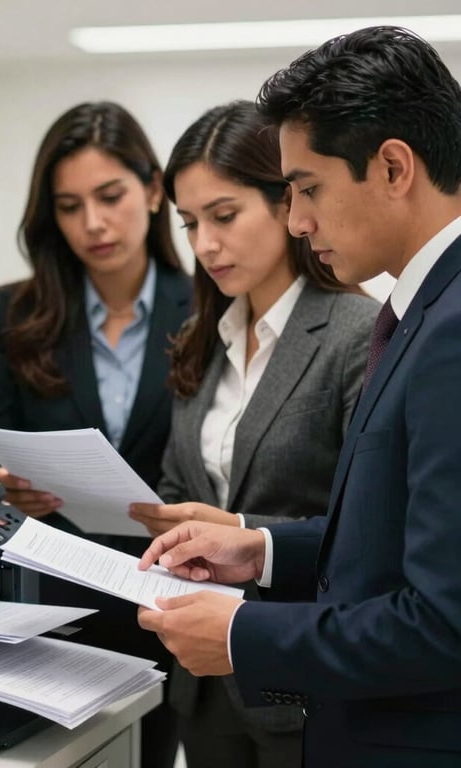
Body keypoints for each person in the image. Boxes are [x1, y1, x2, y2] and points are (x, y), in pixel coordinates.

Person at [136, 25, 461, 768]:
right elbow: (394, 537)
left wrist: (240, 635)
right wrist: (261, 547)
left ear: (392, 167)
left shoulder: (451, 328)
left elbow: (444, 622)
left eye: (308, 189)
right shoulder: (422, 312)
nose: (300, 220)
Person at [128, 100, 378, 768]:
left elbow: (365, 528)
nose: (205, 243)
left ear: (287, 204)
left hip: (302, 678)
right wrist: (169, 518)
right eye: (188, 224)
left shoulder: (357, 334)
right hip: (202, 683)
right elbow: (181, 479)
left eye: (224, 215)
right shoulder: (199, 340)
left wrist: (236, 527)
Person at [0, 101, 192, 768]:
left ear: (153, 190)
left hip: (168, 605)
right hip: (51, 610)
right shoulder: (16, 313)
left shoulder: (210, 302)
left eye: (110, 196)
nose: (93, 223)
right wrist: (4, 487)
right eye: (69, 206)